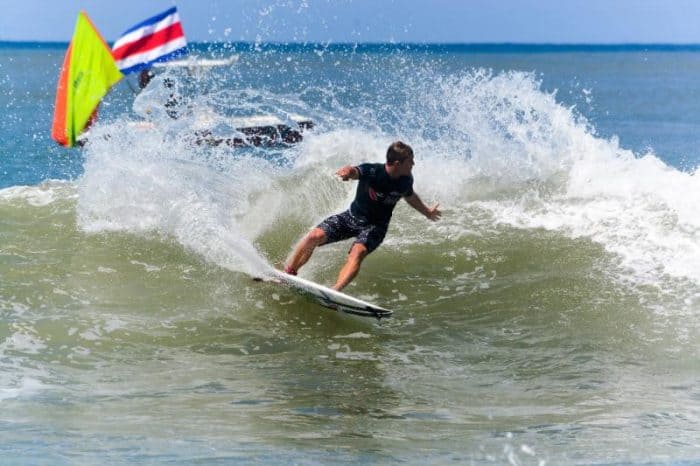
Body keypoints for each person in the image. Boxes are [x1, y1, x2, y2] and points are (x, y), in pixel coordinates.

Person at [284, 141, 441, 291]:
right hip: (351, 217)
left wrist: (427, 212)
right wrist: (347, 172)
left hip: (375, 227)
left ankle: (335, 292)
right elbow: (355, 171)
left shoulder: (406, 180)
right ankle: (290, 272)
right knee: (314, 236)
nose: (413, 164)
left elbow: (410, 196)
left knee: (357, 253)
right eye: (410, 161)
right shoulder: (374, 171)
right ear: (398, 164)